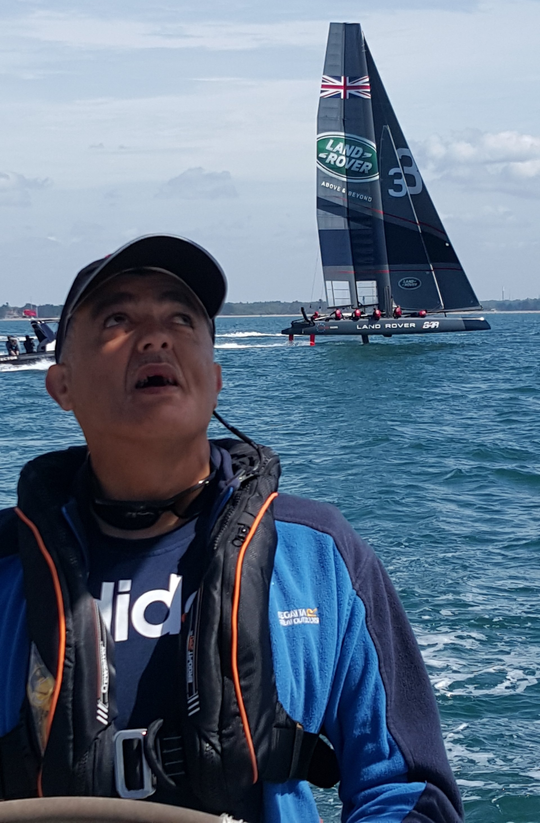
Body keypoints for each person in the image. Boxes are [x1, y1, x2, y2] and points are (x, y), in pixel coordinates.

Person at [0, 235, 463, 822]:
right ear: (60, 384)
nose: (156, 336)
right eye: (117, 318)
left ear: (216, 379)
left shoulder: (321, 555)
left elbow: (408, 790)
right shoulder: (6, 567)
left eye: (181, 317)